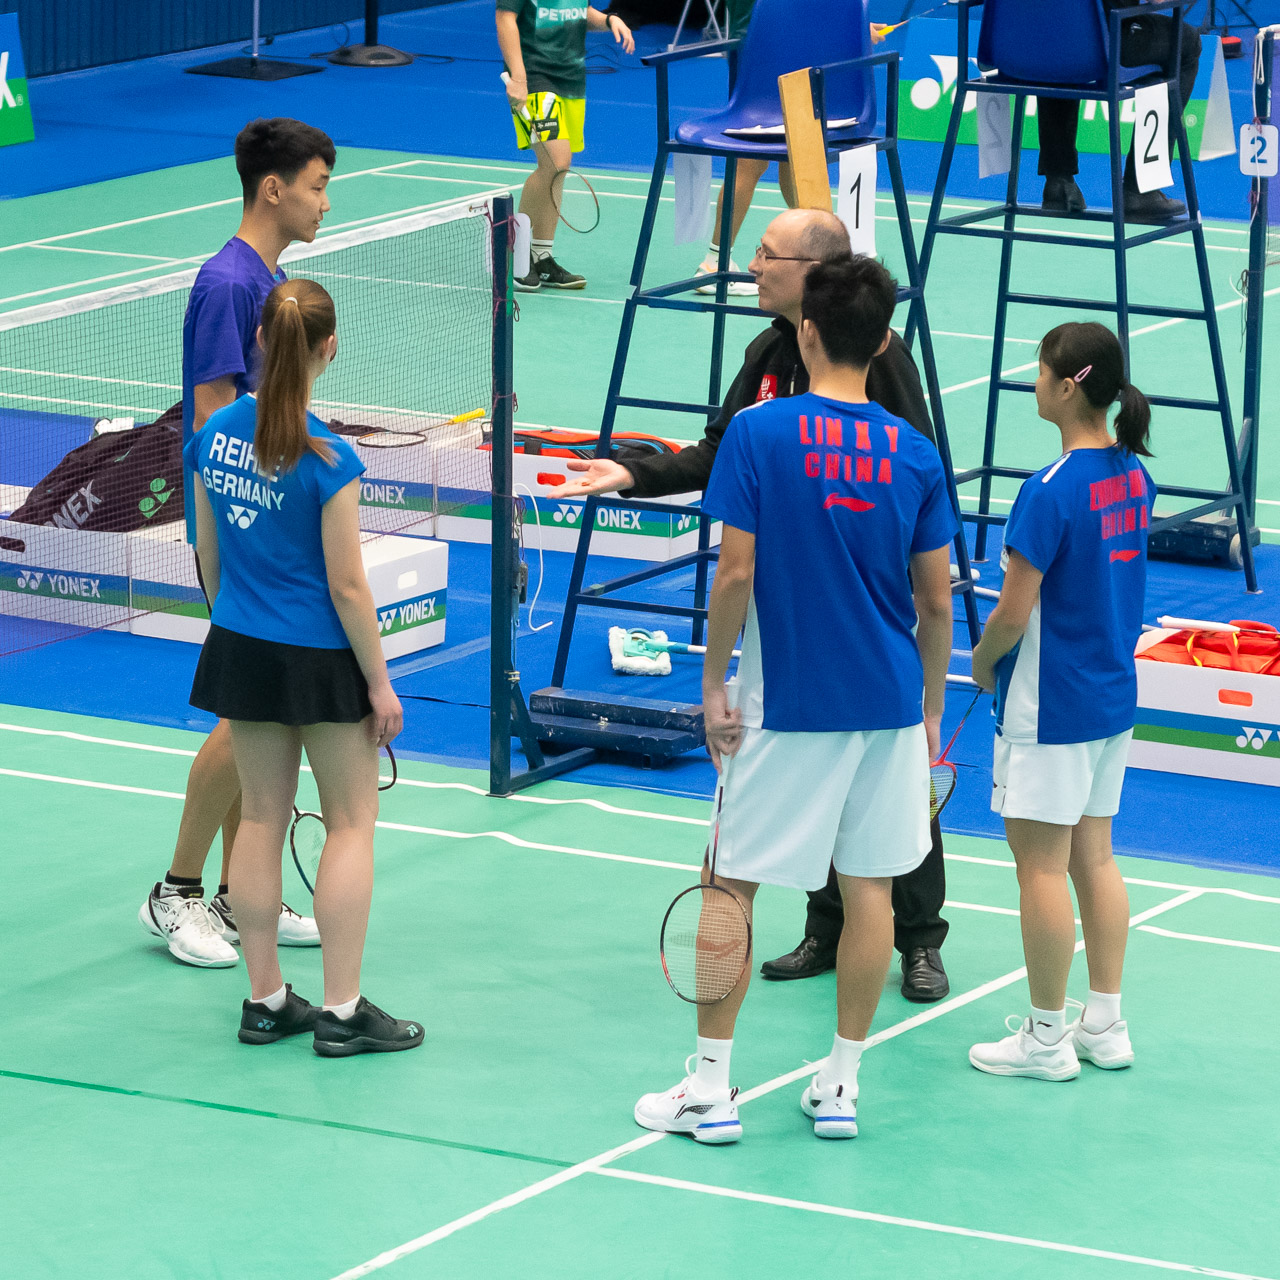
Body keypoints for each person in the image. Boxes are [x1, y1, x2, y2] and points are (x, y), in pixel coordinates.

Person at [548, 207, 954, 1002]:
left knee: (880, 819)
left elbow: (914, 475)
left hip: (865, 624)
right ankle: (825, 930)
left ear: (815, 277)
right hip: (796, 636)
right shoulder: (767, 354)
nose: (751, 265)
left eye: (767, 255)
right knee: (824, 805)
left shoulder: (883, 360)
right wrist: (635, 473)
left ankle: (919, 940)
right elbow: (720, 446)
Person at [634, 256, 955, 1143]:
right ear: (883, 340)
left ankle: (710, 1088)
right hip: (889, 705)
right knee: (871, 890)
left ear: (805, 332)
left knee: (728, 883)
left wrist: (713, 684)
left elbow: (735, 571)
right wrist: (930, 704)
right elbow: (936, 603)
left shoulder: (760, 433)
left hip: (786, 705)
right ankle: (840, 1086)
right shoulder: (916, 453)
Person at [185, 278, 422, 1056]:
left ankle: (266, 1002)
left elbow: (208, 553)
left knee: (260, 815)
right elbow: (348, 586)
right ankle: (343, 1013)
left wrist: (236, 623)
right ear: (329, 349)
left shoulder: (213, 435)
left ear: (258, 340)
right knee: (351, 823)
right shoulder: (329, 458)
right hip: (319, 658)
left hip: (242, 644)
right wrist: (380, 685)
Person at [139, 118, 336, 968]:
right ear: (274, 188)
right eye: (317, 187)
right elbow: (215, 422)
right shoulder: (228, 284)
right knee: (242, 714)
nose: (324, 202)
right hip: (237, 530)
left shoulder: (272, 279)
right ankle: (175, 892)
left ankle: (238, 893)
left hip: (267, 528)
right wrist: (249, 526)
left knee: (257, 716)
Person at [968, 321, 1152, 1081]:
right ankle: (1103, 1023)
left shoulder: (1049, 491)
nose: (1033, 381)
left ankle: (1045, 1039)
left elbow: (1013, 614)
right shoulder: (1133, 474)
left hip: (1049, 707)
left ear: (1070, 385)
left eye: (1042, 370)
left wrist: (982, 665)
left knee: (1040, 870)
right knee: (1096, 857)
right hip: (1111, 699)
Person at [690, 16, 889, 296]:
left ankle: (827, 257)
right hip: (775, 46)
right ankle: (715, 263)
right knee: (752, 162)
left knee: (795, 155)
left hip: (760, 43)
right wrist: (849, 29)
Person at [496, 0, 635, 292]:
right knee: (555, 161)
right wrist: (519, 78)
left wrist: (609, 20)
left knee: (559, 169)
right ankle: (515, 254)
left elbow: (577, 10)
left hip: (571, 78)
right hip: (534, 76)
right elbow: (506, 18)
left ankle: (542, 256)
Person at [1038, 5, 1200, 222]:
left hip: (1023, 46)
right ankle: (1141, 187)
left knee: (1060, 38)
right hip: (1103, 43)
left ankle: (1058, 182)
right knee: (1187, 41)